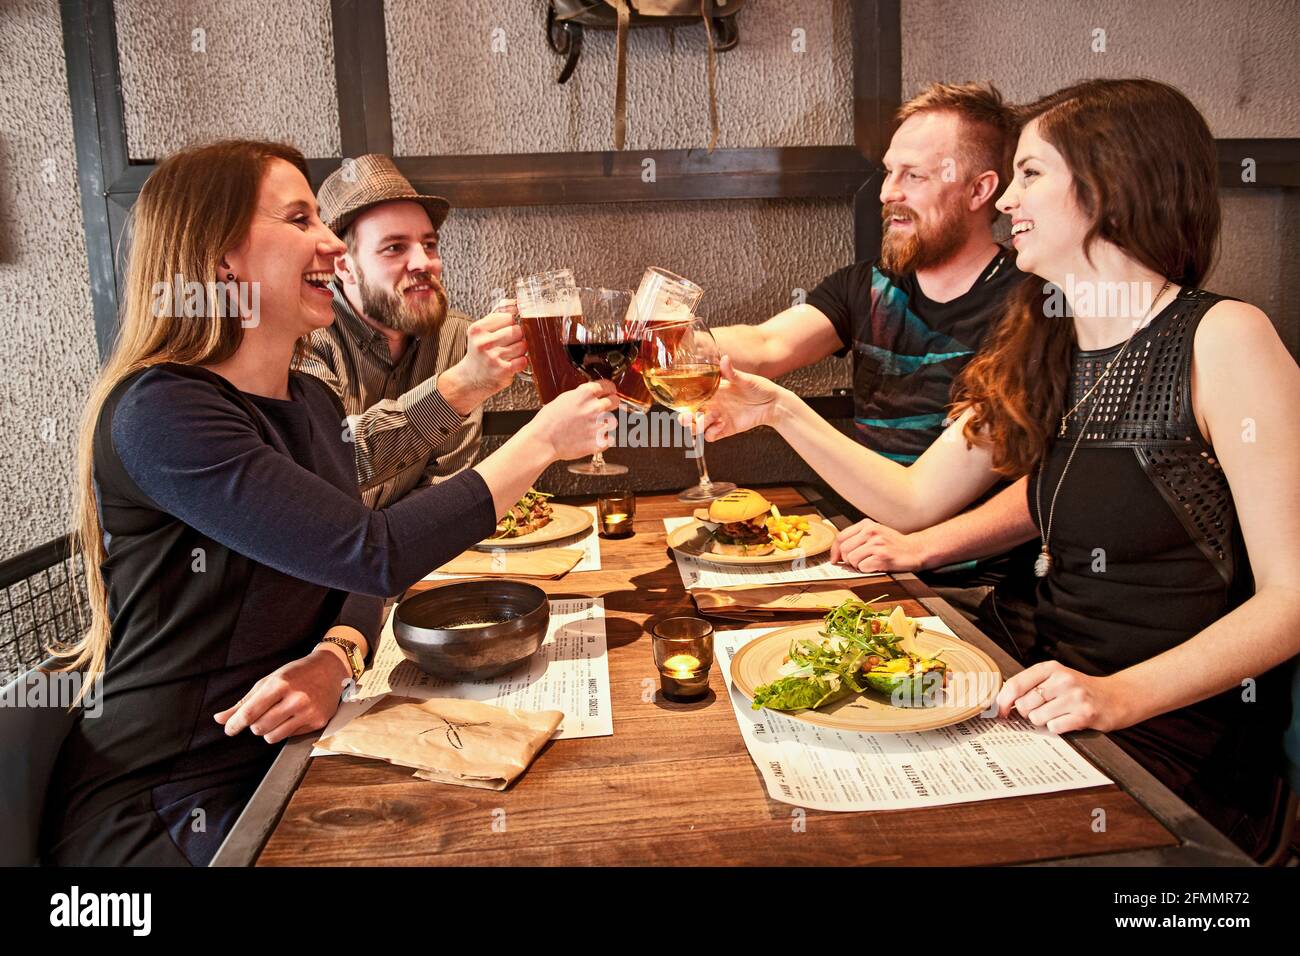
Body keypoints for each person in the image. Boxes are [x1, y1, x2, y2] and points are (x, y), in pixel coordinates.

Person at [693, 79, 1300, 856]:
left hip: (1164, 739)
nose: (1006, 198)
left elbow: (1288, 598)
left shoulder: (1223, 337)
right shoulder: (1042, 335)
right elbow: (917, 498)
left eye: (1031, 175)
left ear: (1111, 184)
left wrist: (1118, 695)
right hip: (1025, 685)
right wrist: (777, 410)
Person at [41, 140, 617, 866]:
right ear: (222, 256)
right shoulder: (162, 412)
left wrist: (336, 656)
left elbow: (346, 561)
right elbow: (376, 553)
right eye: (301, 219)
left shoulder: (309, 400)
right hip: (165, 800)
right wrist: (540, 442)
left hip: (294, 760)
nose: (328, 244)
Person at [711, 82, 1034, 638]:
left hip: (973, 593)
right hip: (860, 560)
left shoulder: (1030, 310)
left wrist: (777, 411)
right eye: (889, 172)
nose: (888, 192)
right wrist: (646, 339)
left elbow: (918, 504)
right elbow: (767, 347)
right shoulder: (872, 284)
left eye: (914, 175)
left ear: (981, 190)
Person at [302, 155, 527, 508]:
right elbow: (329, 462)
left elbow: (443, 491)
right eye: (394, 247)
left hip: (422, 558)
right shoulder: (304, 338)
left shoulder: (457, 337)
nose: (424, 263)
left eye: (429, 244)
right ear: (344, 267)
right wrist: (462, 385)